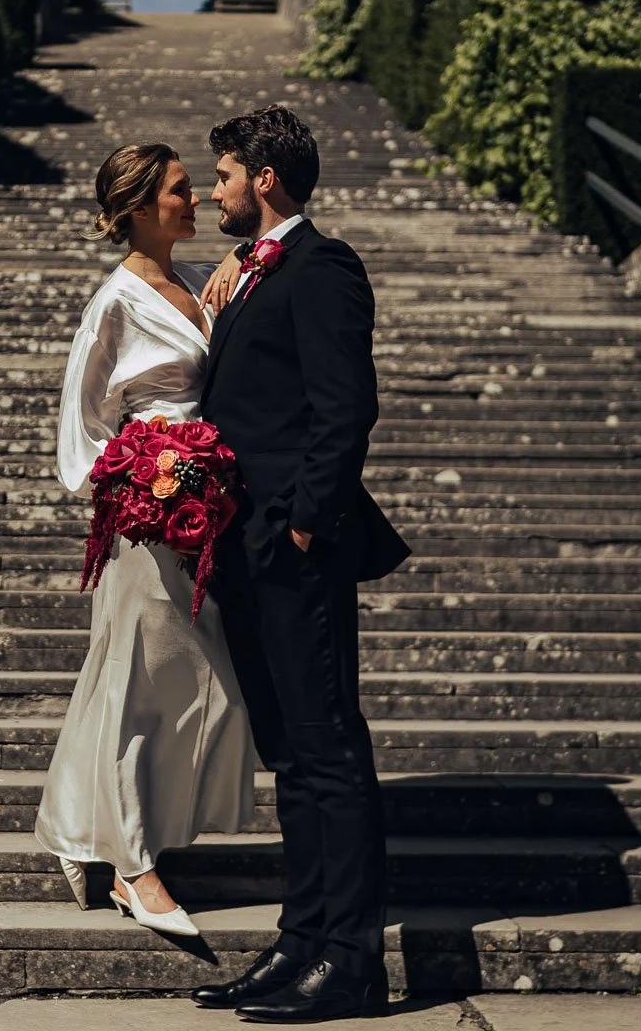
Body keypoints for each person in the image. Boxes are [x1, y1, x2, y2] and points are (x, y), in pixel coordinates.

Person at [189, 106, 411, 1023]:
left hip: (291, 548)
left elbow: (345, 406)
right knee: (289, 753)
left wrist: (305, 528)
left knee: (327, 748)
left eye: (223, 175)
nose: (214, 191)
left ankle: (352, 961)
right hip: (244, 550)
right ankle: (301, 940)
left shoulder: (323, 266)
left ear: (265, 178)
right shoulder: (249, 270)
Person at [38, 142, 252, 938]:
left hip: (209, 510)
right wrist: (146, 475)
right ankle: (133, 868)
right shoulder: (114, 304)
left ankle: (83, 826)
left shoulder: (198, 280)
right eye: (179, 190)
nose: (195, 201)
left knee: (185, 687)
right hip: (148, 521)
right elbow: (86, 425)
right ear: (137, 207)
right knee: (133, 685)